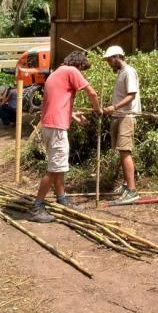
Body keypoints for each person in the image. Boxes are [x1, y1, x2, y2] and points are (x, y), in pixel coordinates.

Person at [30, 51, 101, 224]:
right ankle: (37, 206)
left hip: (49, 125)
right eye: (82, 69)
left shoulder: (56, 73)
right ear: (79, 65)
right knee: (55, 168)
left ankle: (62, 197)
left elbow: (58, 102)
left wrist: (73, 115)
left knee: (58, 165)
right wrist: (98, 109)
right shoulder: (71, 70)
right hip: (56, 127)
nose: (82, 73)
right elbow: (92, 93)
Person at [102, 46, 140, 204]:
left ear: (118, 57)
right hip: (119, 115)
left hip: (126, 116)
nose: (109, 63)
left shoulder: (129, 71)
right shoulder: (121, 73)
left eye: (110, 60)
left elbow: (132, 95)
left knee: (125, 151)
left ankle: (132, 191)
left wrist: (115, 107)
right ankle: (127, 184)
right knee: (122, 151)